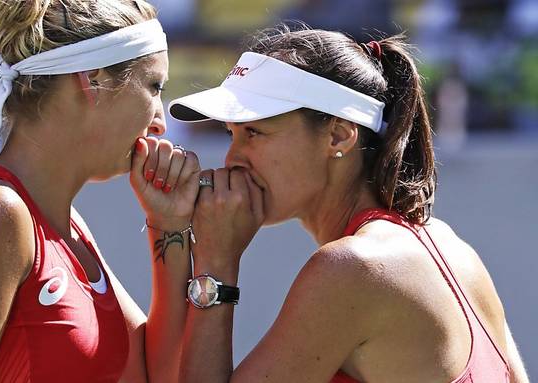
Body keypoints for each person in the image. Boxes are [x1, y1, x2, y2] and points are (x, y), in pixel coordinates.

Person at [168, 23, 530, 383]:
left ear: (339, 136)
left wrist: (216, 262)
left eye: (255, 132)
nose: (233, 159)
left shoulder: (352, 268)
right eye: (231, 134)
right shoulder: (451, 246)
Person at [0, 1, 200, 382]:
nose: (160, 123)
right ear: (92, 80)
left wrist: (170, 225)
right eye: (153, 87)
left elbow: (157, 376)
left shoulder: (65, 226)